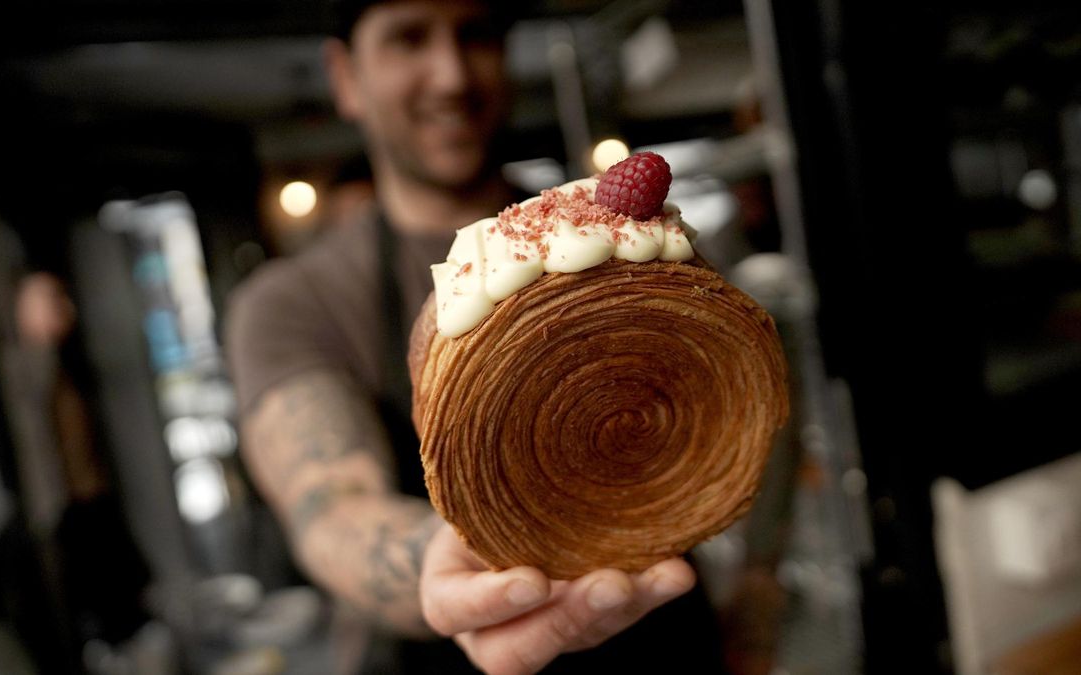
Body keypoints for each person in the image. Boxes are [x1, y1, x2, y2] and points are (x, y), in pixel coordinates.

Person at [225, 1, 727, 672]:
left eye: (476, 35)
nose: (452, 75)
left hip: (663, 640)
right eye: (409, 39)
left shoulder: (621, 243)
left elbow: (736, 416)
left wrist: (759, 580)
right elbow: (331, 503)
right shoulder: (292, 302)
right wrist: (446, 561)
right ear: (346, 77)